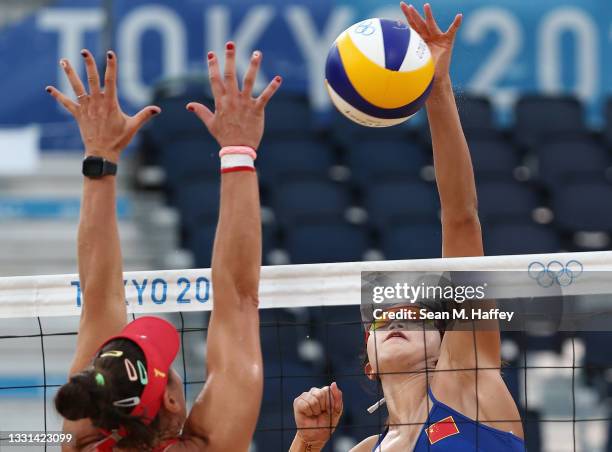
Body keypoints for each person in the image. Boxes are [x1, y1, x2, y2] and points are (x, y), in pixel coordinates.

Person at [289, 4, 525, 451]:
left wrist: (436, 88)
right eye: (383, 319)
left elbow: (461, 218)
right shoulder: (365, 449)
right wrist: (306, 443)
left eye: (416, 316)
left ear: (443, 346)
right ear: (369, 365)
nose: (396, 316)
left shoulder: (469, 383)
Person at [47, 42, 281, 451]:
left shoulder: (81, 442)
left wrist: (99, 156)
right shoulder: (210, 444)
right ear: (172, 400)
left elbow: (101, 298)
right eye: (167, 368)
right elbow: (238, 296)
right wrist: (238, 149)